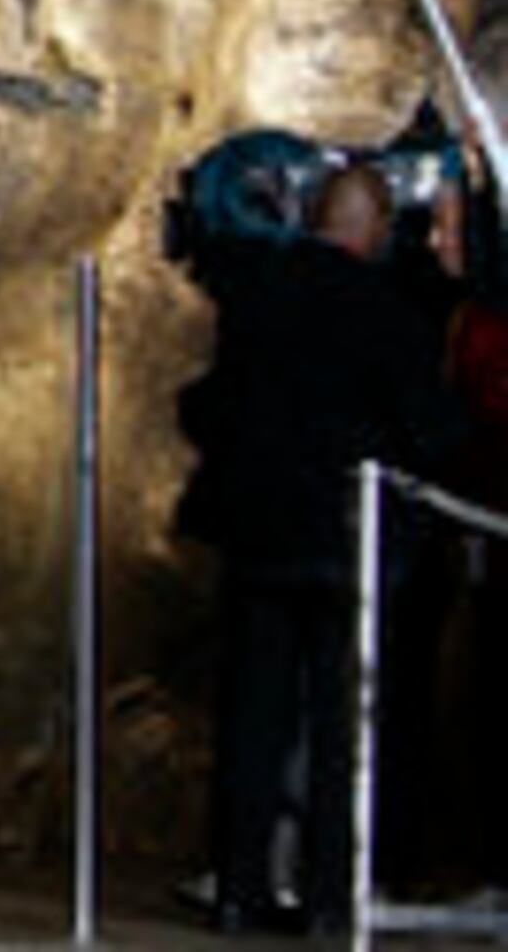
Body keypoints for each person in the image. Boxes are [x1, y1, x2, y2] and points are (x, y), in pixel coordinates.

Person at [176, 155, 465, 933]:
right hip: (346, 534)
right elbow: (433, 426)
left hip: (261, 531)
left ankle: (241, 883)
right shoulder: (386, 312)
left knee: (256, 712)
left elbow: (210, 403)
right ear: (373, 232)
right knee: (341, 726)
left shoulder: (259, 296)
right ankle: (331, 892)